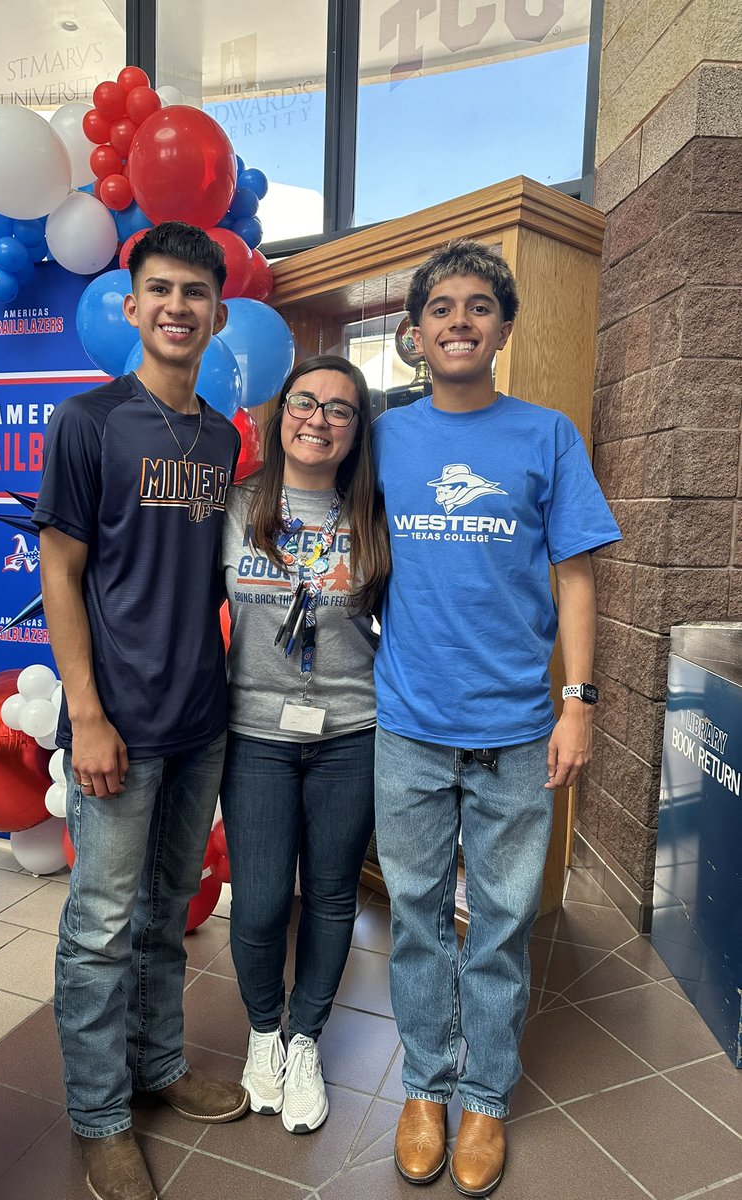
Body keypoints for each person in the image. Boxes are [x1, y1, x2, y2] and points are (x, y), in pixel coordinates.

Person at [372, 239, 621, 1196]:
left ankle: (485, 1096)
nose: (461, 321)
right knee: (422, 918)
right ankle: (426, 1086)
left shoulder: (546, 434)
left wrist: (579, 702)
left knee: (504, 922)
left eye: (480, 307)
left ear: (504, 329)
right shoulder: (388, 437)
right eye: (442, 308)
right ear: (418, 331)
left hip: (520, 726)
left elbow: (577, 576)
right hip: (408, 723)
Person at [34, 221, 248, 1200]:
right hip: (116, 723)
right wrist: (85, 713)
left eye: (194, 293)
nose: (176, 307)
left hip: (199, 720)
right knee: (99, 927)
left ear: (217, 313)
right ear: (133, 306)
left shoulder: (219, 437)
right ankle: (98, 1116)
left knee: (168, 916)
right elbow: (62, 571)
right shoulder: (88, 423)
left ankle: (157, 1068)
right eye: (159, 289)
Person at [220, 354, 389, 1134]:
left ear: (357, 431)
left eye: (340, 410)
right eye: (305, 402)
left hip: (351, 734)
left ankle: (304, 1041)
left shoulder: (375, 517)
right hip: (253, 733)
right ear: (280, 412)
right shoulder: (234, 507)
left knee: (329, 897)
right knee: (256, 902)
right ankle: (262, 1032)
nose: (318, 419)